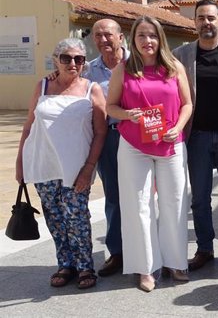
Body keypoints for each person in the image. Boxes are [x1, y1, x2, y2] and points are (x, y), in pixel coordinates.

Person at [106, 16, 193, 292]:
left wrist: (178, 127)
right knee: (138, 206)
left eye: (152, 35)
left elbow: (187, 104)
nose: (148, 41)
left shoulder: (174, 67)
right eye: (141, 36)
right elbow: (110, 107)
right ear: (133, 40)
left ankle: (175, 261)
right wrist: (127, 114)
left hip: (171, 144)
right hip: (134, 145)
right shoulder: (123, 70)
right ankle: (145, 268)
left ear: (160, 39)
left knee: (175, 203)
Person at [16, 38, 107, 289]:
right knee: (55, 219)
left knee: (77, 218)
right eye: (66, 58)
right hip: (43, 163)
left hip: (76, 166)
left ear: (84, 63)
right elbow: (28, 126)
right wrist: (20, 162)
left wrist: (89, 168)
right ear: (55, 59)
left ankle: (85, 266)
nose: (72, 63)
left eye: (78, 59)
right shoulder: (43, 85)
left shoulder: (92, 89)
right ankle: (65, 264)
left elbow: (100, 132)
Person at [172, 0, 218, 271]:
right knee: (200, 198)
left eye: (211, 18)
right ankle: (205, 248)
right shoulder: (180, 55)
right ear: (194, 22)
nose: (206, 22)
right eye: (201, 18)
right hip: (197, 137)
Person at [82, 19, 129, 277]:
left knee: (142, 195)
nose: (103, 40)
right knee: (113, 196)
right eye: (98, 36)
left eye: (108, 35)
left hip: (138, 137)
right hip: (109, 138)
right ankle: (117, 253)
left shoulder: (138, 63)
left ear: (120, 37)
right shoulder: (88, 71)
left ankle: (145, 250)